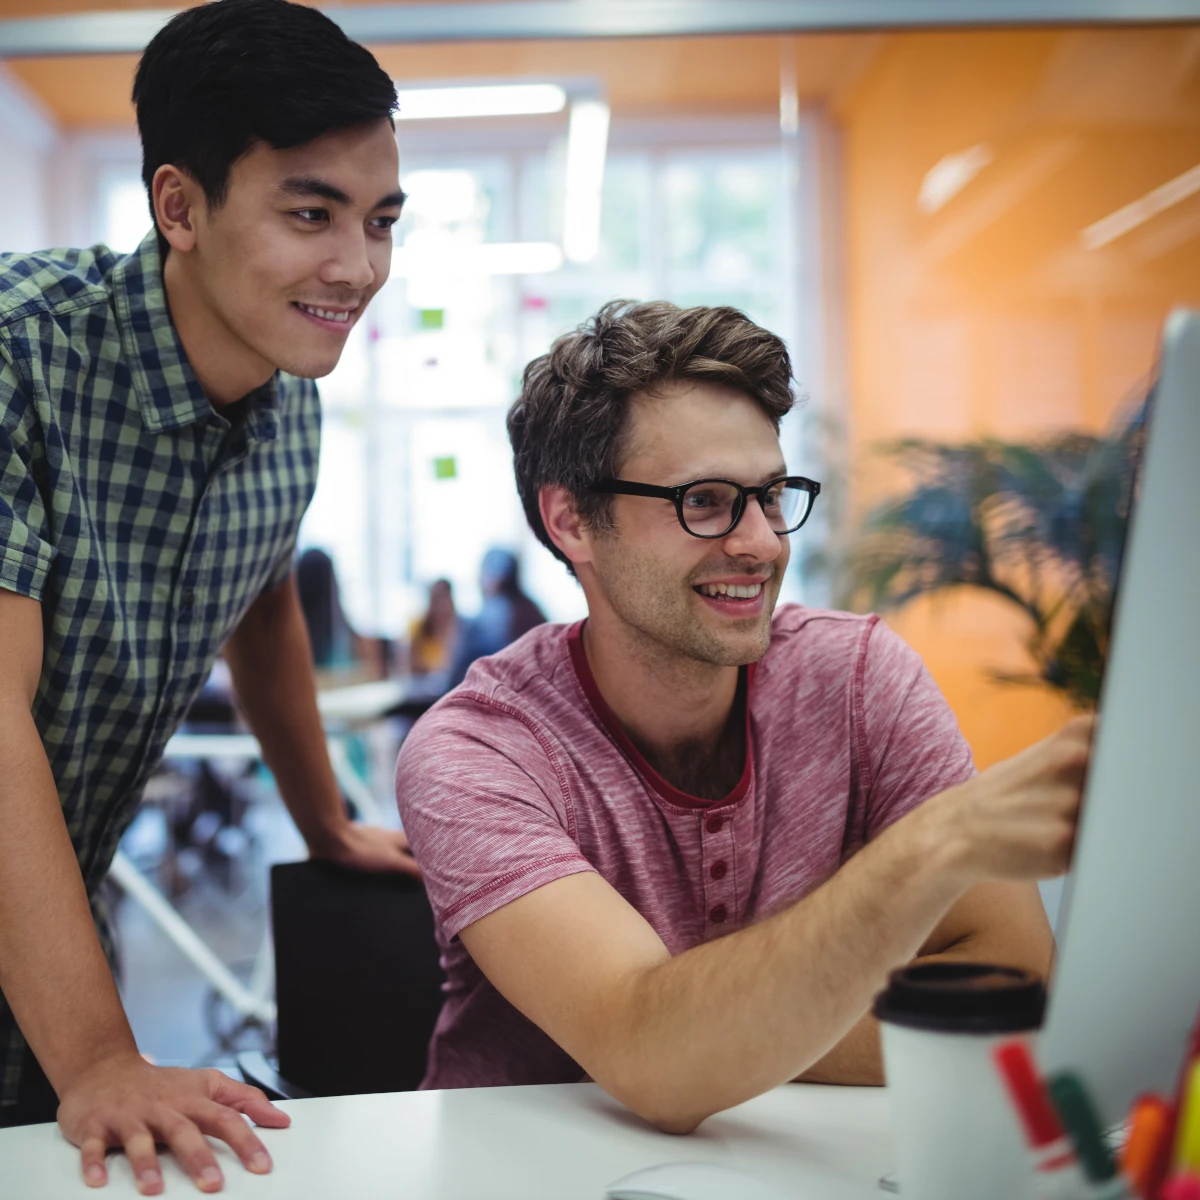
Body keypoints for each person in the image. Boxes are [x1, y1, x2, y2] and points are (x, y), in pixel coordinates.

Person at [395, 300, 1089, 1133]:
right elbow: (652, 1058)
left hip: (796, 1162)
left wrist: (716, 1027)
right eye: (707, 501)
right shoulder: (478, 751)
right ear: (570, 519)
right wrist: (930, 850)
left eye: (770, 495)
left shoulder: (858, 678)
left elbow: (1014, 988)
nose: (761, 542)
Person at [0, 0, 417, 1188]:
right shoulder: (17, 356)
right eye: (310, 213)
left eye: (380, 221)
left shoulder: (292, 410)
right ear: (179, 206)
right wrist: (98, 1054)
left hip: (51, 923)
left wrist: (325, 815)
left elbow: (261, 592)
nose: (358, 267)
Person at [444, 547, 547, 688]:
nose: (480, 580)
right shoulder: (531, 609)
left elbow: (462, 671)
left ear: (498, 577)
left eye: (485, 573)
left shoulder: (492, 615)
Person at [406, 578, 460, 677]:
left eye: (445, 599)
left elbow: (457, 665)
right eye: (437, 599)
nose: (441, 606)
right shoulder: (417, 626)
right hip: (422, 686)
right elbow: (409, 665)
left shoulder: (459, 628)